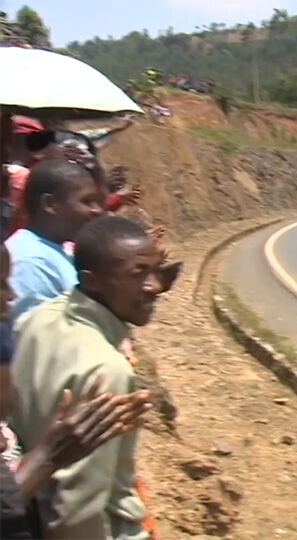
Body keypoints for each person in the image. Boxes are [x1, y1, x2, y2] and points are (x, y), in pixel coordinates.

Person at [11, 216, 169, 540]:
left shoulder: (39, 318)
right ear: (92, 281)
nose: (155, 286)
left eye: (156, 271)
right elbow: (76, 513)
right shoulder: (107, 371)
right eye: (138, 273)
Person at [5, 160, 104, 322]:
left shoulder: (59, 250)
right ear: (50, 204)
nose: (97, 210)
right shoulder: (31, 263)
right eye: (86, 201)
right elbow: (34, 333)